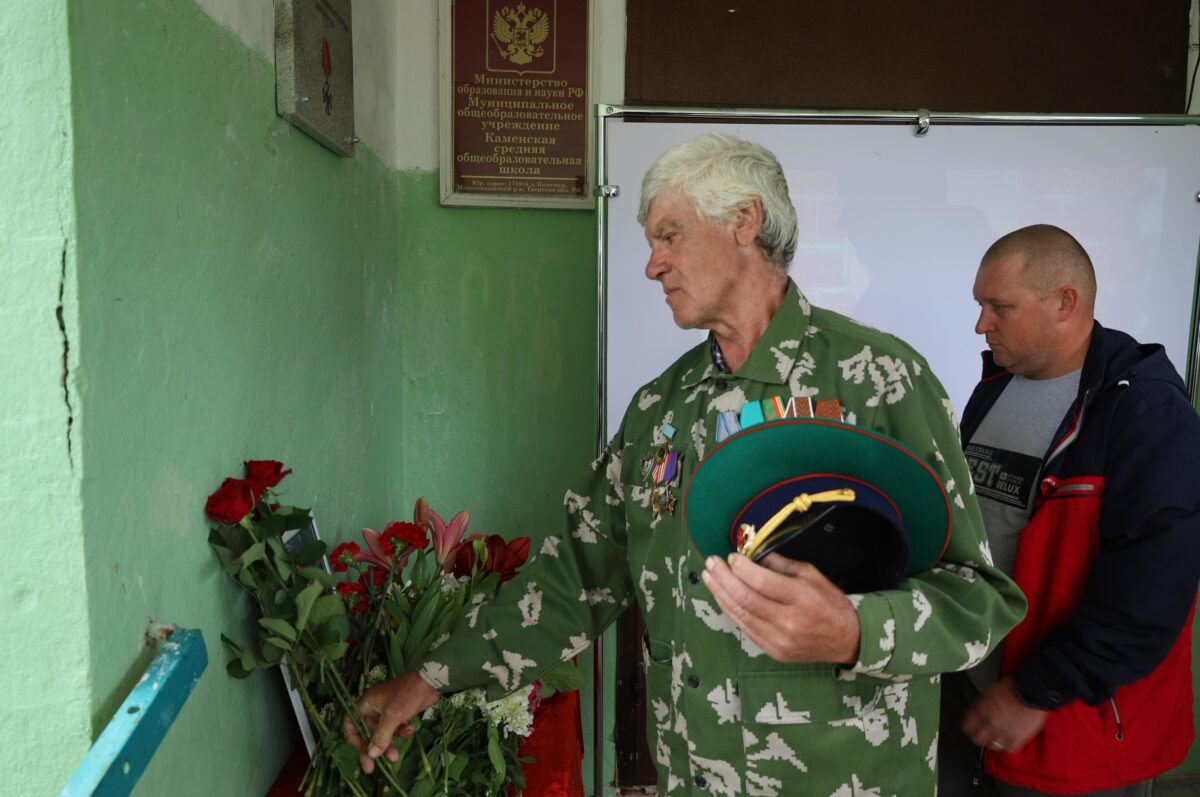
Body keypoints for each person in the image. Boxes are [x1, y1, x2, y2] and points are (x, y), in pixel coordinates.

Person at [345, 133, 1025, 795]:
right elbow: (575, 579)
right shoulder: (659, 410)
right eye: (650, 242)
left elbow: (978, 599)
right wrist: (429, 678)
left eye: (669, 234)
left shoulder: (877, 378)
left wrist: (855, 630)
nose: (652, 264)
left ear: (744, 221)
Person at [939, 224, 1200, 797]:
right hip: (977, 699)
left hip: (1069, 723)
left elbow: (1151, 593)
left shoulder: (1144, 412)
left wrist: (1036, 690)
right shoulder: (995, 387)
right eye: (981, 305)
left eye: (998, 306)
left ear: (1065, 302)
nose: (981, 324)